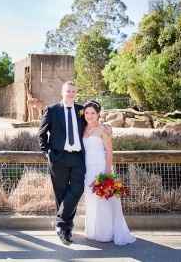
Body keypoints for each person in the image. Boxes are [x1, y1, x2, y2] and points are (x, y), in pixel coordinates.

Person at [82, 100, 136, 245]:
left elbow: (109, 151)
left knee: (103, 201)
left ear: (98, 114)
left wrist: (107, 172)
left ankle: (105, 233)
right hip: (87, 169)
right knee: (91, 200)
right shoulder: (83, 129)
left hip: (100, 167)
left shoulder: (103, 130)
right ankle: (93, 231)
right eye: (87, 112)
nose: (89, 115)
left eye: (93, 113)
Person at [38, 81, 86, 245]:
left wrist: (105, 129)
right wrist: (47, 153)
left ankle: (60, 223)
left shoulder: (81, 110)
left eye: (73, 91)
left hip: (78, 157)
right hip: (58, 158)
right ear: (62, 92)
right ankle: (66, 229)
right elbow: (42, 133)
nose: (71, 94)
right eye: (68, 91)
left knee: (78, 189)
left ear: (76, 93)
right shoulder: (52, 110)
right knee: (61, 193)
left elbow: (91, 125)